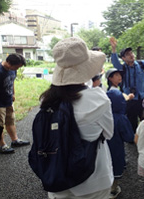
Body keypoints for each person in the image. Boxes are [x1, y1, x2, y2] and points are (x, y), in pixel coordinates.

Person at [41, 37, 114, 199]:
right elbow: (108, 134)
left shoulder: (47, 100)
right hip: (93, 178)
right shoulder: (98, 99)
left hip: (56, 177)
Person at [110, 37, 144, 132]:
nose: (131, 55)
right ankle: (133, 138)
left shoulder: (140, 64)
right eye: (128, 54)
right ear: (123, 58)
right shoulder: (122, 68)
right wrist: (114, 49)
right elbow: (115, 63)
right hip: (130, 97)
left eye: (131, 53)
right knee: (132, 118)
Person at [0, 53, 30, 154]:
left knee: (10, 121)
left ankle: (15, 140)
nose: (17, 69)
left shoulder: (12, 70)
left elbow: (12, 81)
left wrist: (13, 93)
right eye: (16, 67)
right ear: (9, 63)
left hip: (8, 101)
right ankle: (3, 146)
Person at [106, 89, 134, 199]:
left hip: (101, 149)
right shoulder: (121, 118)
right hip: (116, 148)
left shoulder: (102, 115)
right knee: (116, 167)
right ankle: (113, 190)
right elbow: (129, 137)